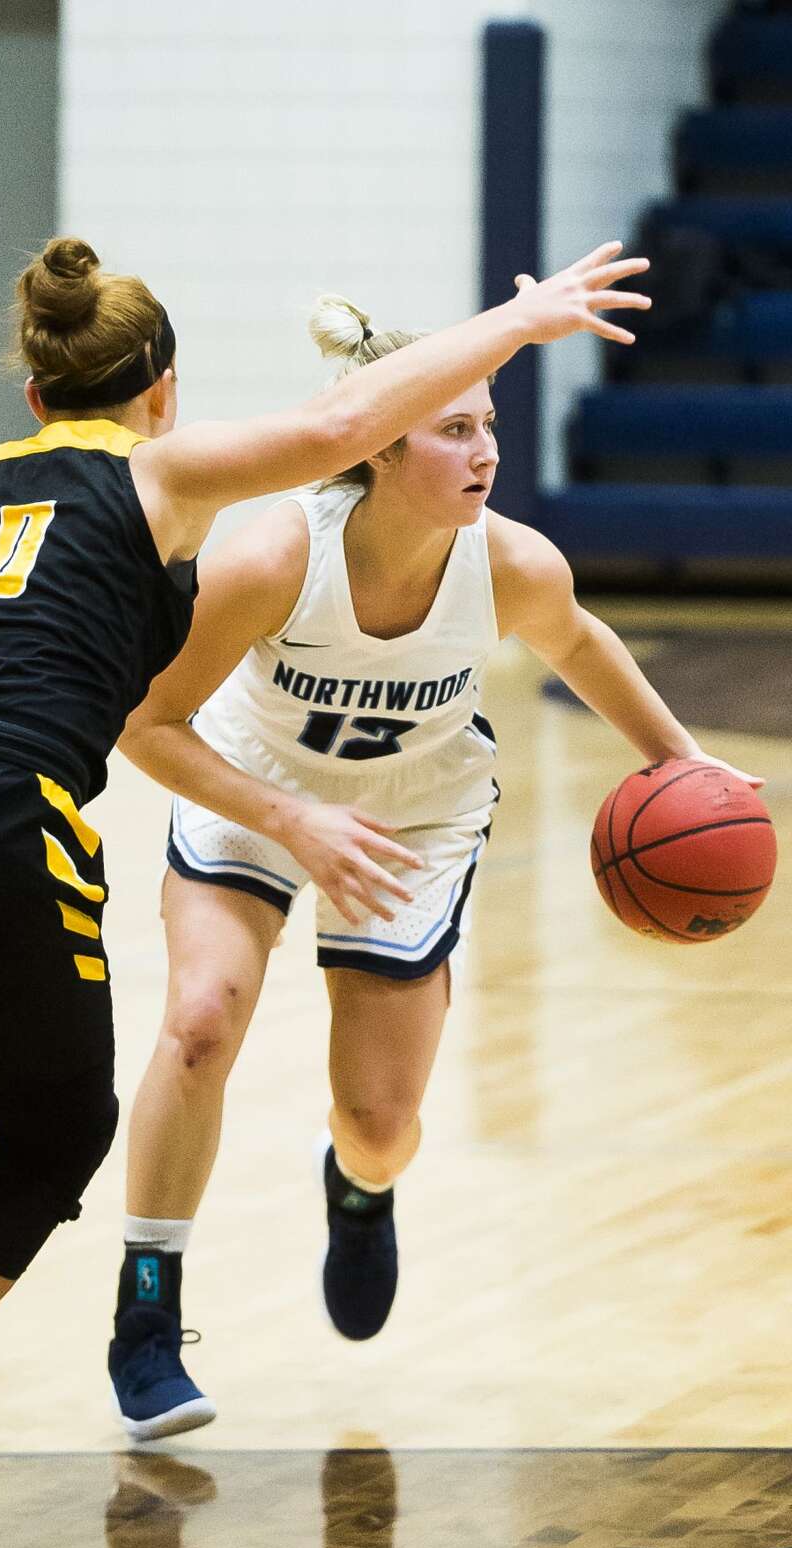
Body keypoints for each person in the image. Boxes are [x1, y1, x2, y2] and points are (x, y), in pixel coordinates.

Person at [0, 234, 651, 1521]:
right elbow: (345, 418)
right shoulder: (163, 474)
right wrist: (523, 321)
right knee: (56, 1131)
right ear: (161, 385)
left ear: (39, 396)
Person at [107, 289, 762, 1442]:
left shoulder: (511, 566)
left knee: (380, 1118)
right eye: (455, 428)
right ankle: (148, 1312)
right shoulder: (268, 555)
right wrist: (291, 819)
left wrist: (686, 767)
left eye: (491, 425)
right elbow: (147, 727)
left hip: (414, 816)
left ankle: (358, 1187)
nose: (487, 450)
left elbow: (583, 643)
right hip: (257, 793)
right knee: (201, 1019)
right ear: (377, 443)